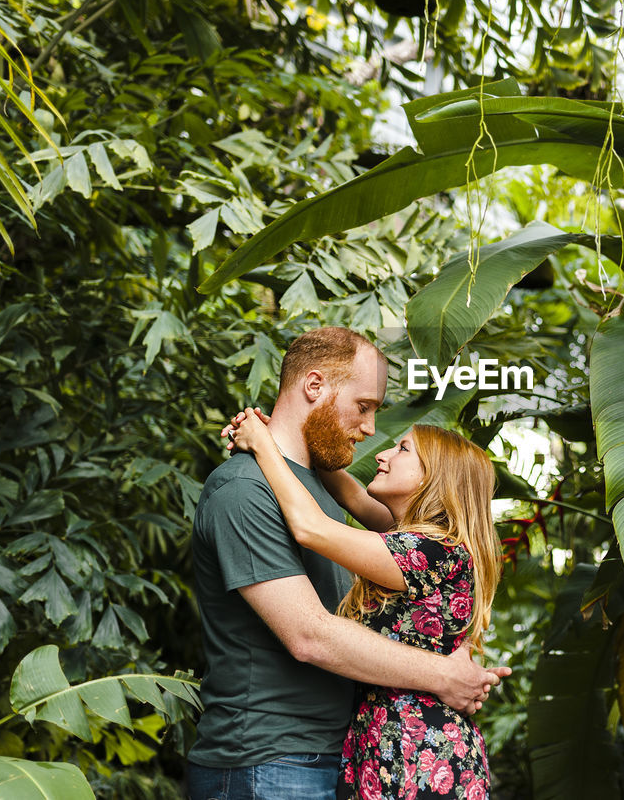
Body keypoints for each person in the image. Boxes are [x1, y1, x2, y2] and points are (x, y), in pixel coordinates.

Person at [187, 327, 508, 800]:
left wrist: (267, 444)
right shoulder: (246, 488)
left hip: (349, 757)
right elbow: (309, 633)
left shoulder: (399, 534)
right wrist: (444, 674)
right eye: (365, 406)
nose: (373, 431)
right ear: (314, 386)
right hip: (270, 760)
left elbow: (320, 521)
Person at [226, 411, 499, 800]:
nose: (383, 454)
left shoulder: (432, 552)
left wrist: (262, 444)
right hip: (388, 747)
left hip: (421, 756)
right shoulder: (413, 543)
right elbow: (352, 494)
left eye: (402, 449)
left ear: (432, 478)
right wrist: (286, 436)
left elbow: (310, 528)